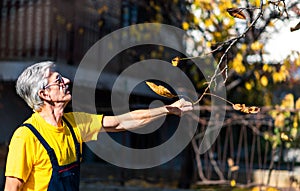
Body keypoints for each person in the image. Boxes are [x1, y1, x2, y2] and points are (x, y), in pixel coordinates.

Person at [4, 61, 193, 191]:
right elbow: (12, 187)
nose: (67, 81)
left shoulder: (74, 123)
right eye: (59, 81)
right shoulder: (26, 136)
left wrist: (167, 109)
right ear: (44, 94)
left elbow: (121, 122)